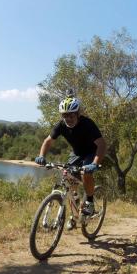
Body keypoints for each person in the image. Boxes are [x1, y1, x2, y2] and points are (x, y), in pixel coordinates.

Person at [35, 93, 106, 221]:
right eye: (65, 115)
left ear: (77, 114)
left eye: (71, 115)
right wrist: (41, 156)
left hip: (91, 152)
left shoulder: (87, 124)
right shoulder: (61, 126)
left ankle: (90, 202)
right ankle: (75, 214)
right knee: (68, 179)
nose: (68, 118)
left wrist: (94, 163)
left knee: (85, 173)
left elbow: (101, 144)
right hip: (77, 153)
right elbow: (48, 141)